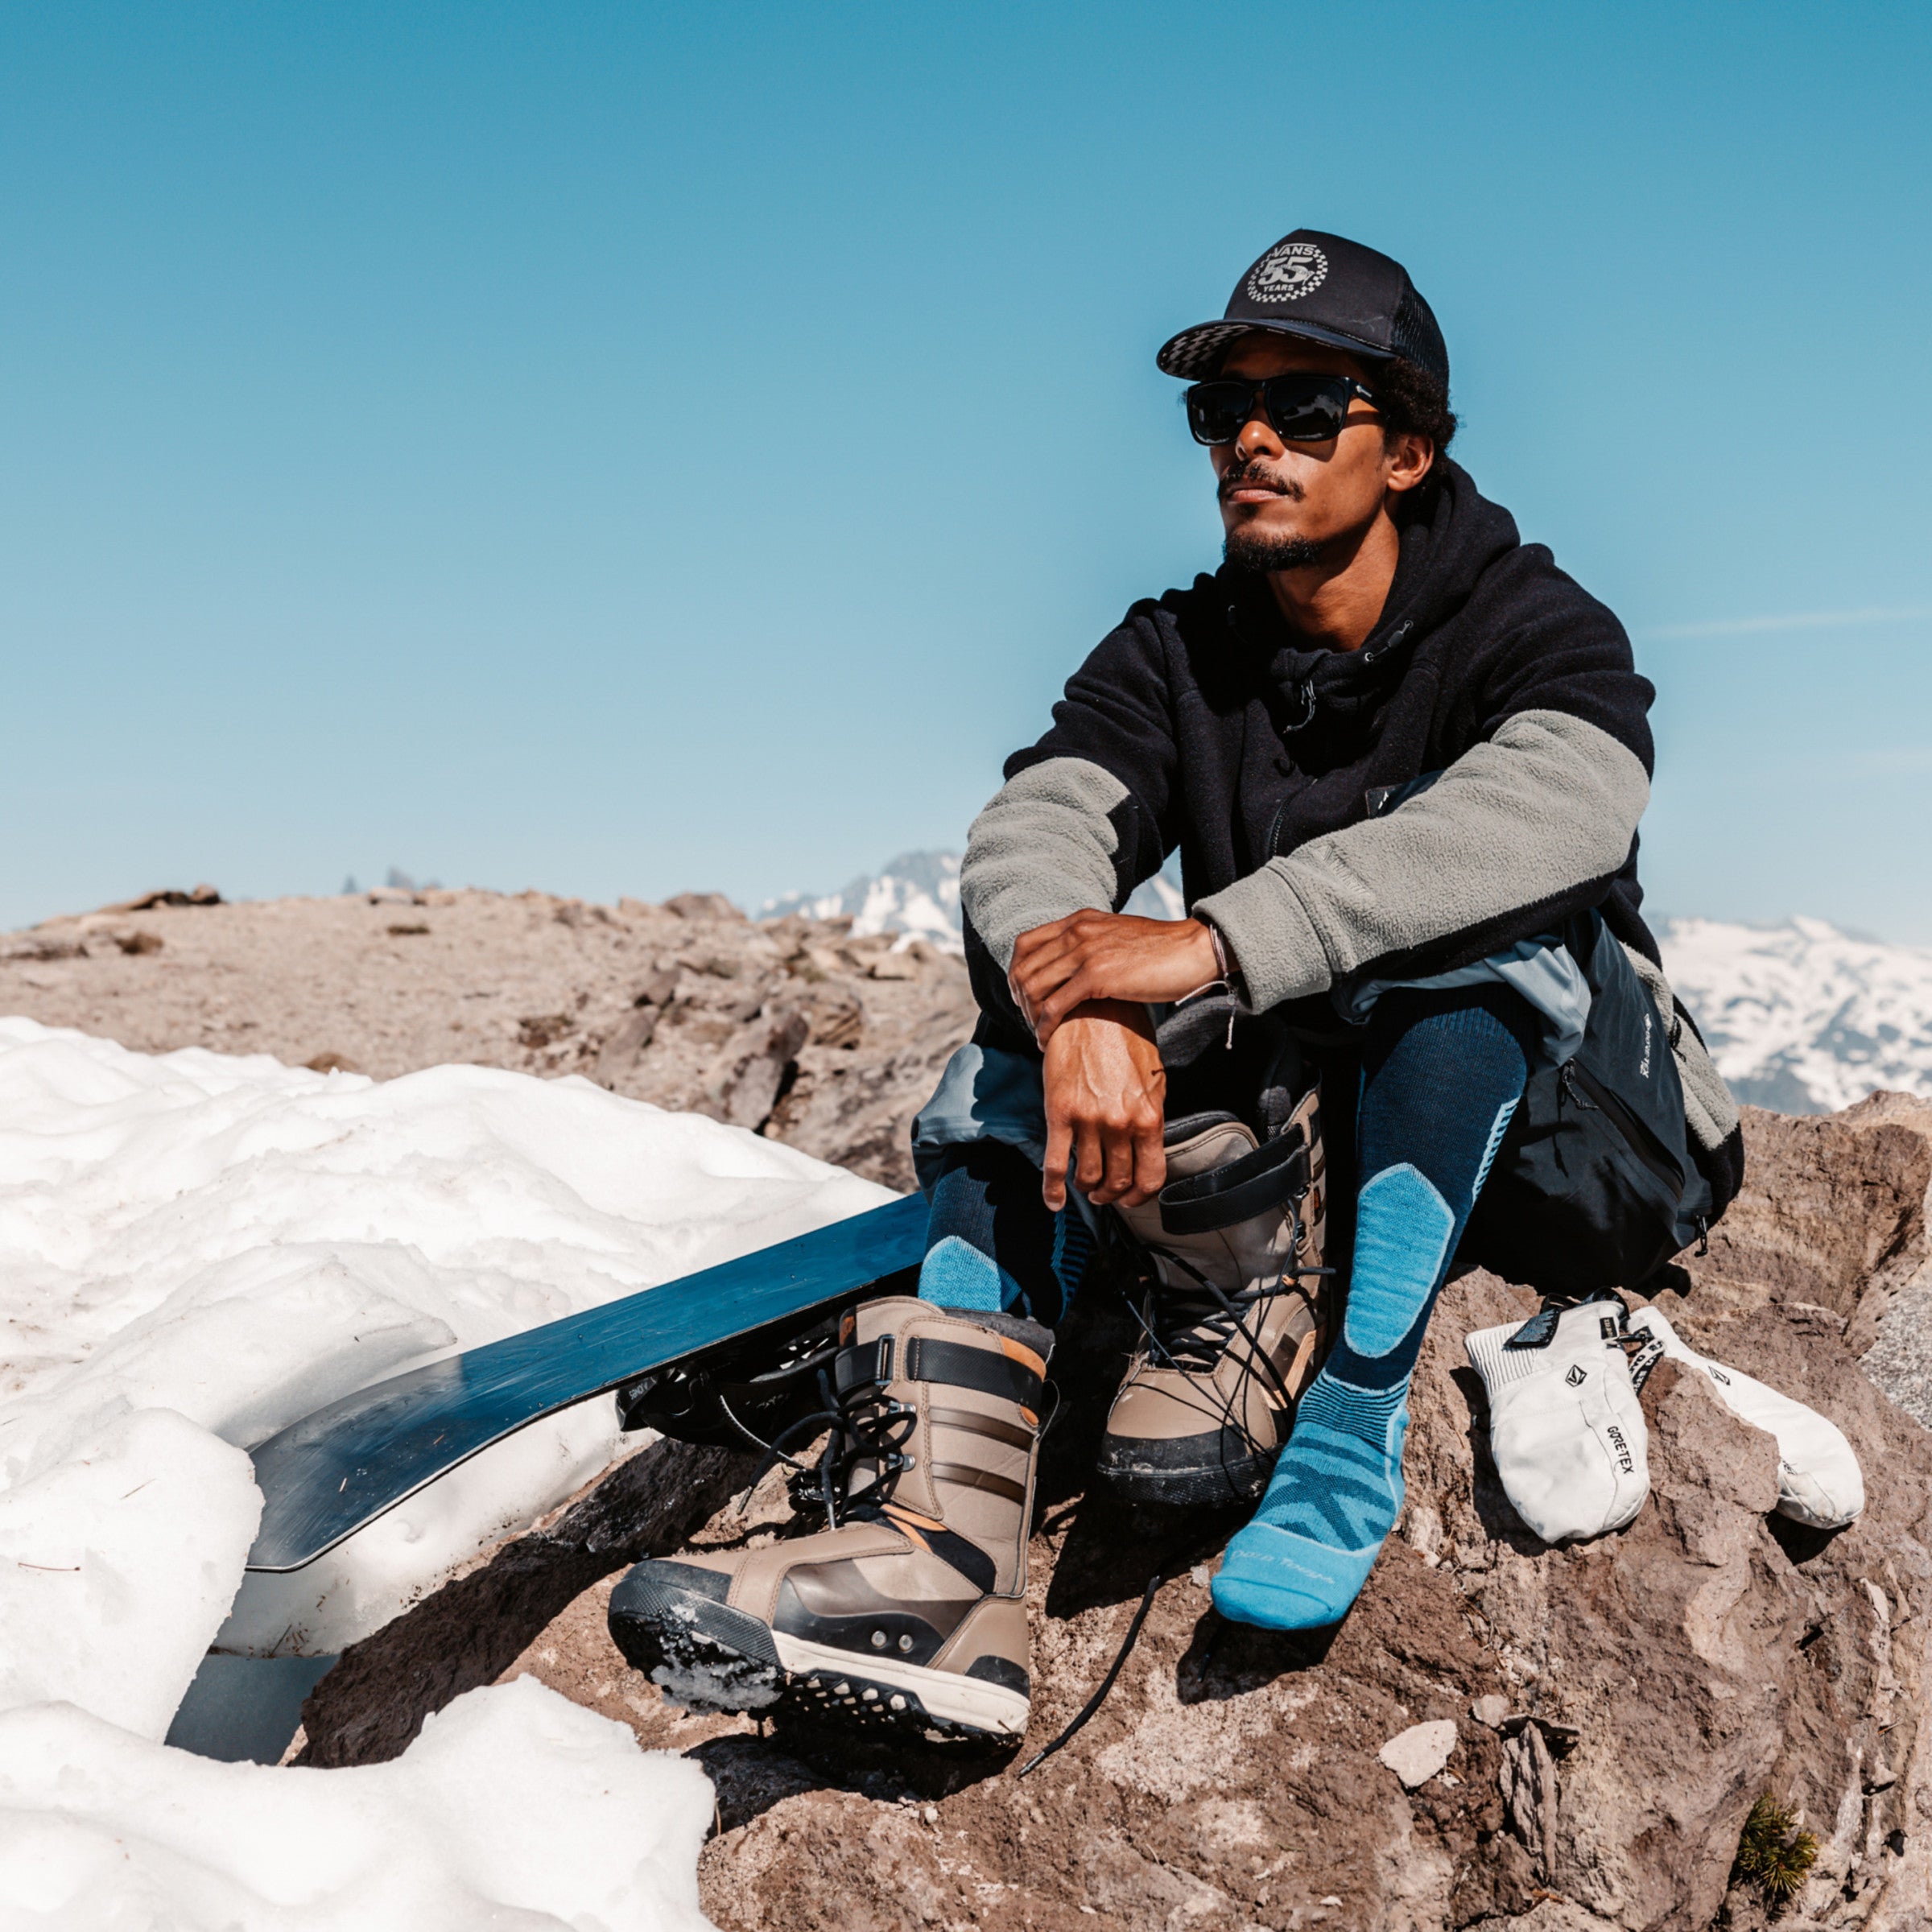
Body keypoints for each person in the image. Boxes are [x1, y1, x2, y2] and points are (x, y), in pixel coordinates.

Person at [609, 229, 1741, 1746]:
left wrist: (1212, 945)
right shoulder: (1178, 646)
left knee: (1471, 948)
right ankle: (936, 1562)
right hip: (1325, 1095)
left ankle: (1350, 1426)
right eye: (1224, 411)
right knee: (1016, 1032)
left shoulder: (1530, 620)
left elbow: (1565, 810)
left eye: (1307, 408)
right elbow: (1036, 826)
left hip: (1580, 1137)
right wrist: (1073, 1005)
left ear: (1409, 451)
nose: (1252, 441)